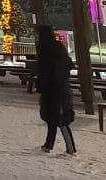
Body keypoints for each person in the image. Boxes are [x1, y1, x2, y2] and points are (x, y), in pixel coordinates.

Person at [35, 25, 76, 154]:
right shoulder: (58, 47)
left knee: (55, 117)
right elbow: (69, 64)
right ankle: (50, 144)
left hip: (51, 88)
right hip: (61, 86)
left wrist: (40, 88)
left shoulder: (44, 49)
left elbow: (44, 71)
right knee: (57, 117)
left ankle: (61, 146)